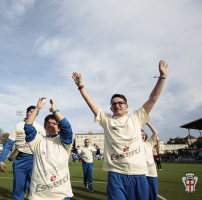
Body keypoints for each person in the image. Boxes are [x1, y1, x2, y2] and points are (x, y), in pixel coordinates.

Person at [72, 60, 168, 200]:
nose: (117, 105)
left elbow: (153, 99)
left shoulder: (136, 118)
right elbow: (90, 103)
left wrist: (162, 77)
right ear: (111, 108)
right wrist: (80, 86)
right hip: (116, 174)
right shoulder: (107, 120)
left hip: (138, 174)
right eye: (114, 104)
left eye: (120, 103)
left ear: (127, 106)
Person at [24, 97, 74, 200]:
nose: (50, 125)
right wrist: (37, 109)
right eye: (47, 123)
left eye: (54, 123)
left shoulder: (64, 142)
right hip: (38, 195)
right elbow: (28, 127)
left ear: (59, 127)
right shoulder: (37, 140)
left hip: (61, 194)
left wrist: (55, 111)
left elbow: (67, 127)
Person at [0, 106, 45, 200]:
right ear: (26, 113)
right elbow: (8, 144)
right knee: (18, 189)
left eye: (34, 112)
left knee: (34, 190)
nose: (32, 114)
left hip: (35, 160)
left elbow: (46, 144)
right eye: (30, 112)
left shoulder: (39, 127)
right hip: (20, 160)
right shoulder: (18, 126)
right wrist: (1, 160)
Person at [142, 122, 158, 200]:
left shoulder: (149, 143)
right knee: (142, 193)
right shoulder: (134, 144)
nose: (142, 136)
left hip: (151, 171)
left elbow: (155, 133)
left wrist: (148, 123)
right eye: (140, 134)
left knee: (153, 193)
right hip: (140, 171)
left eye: (143, 134)